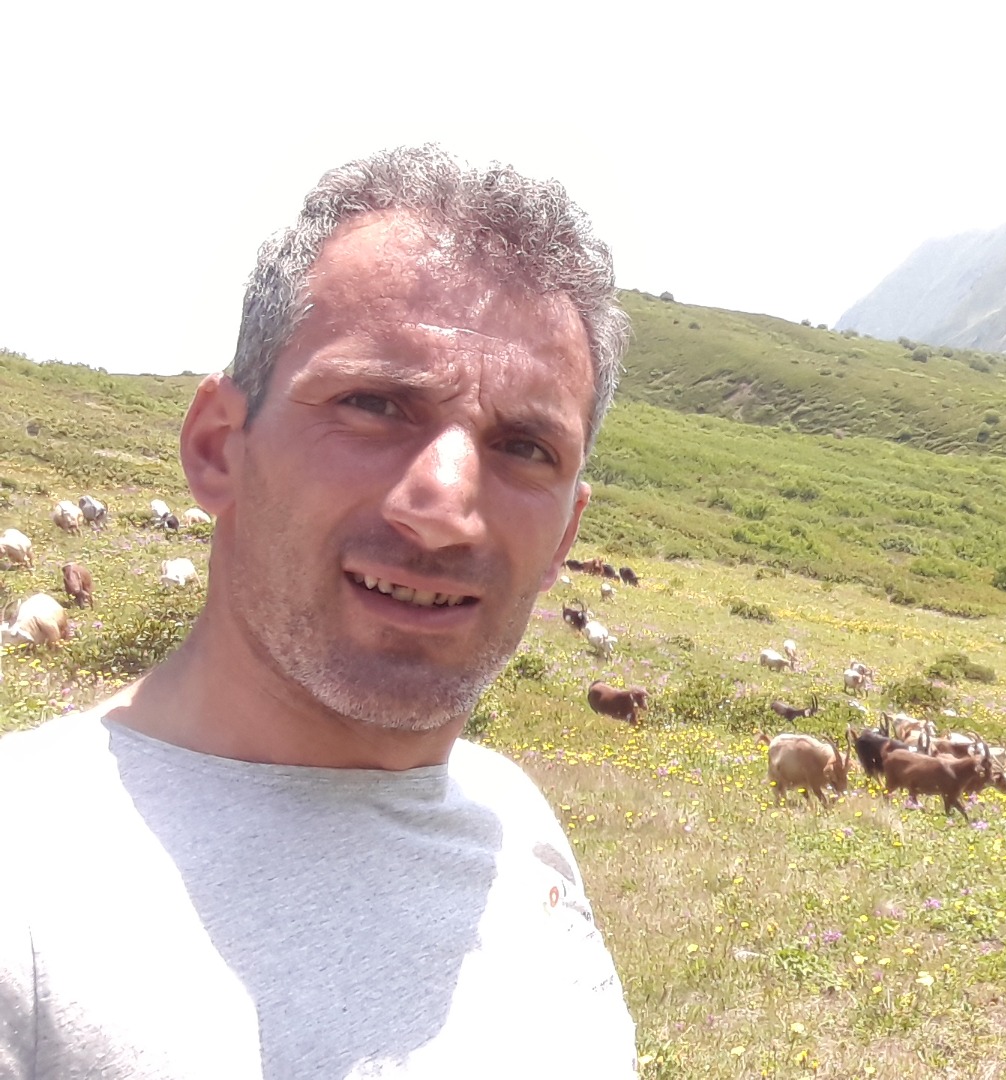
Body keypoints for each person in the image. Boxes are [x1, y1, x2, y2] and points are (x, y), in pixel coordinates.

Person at [0, 146, 637, 1078]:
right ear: (218, 447)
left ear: (564, 538)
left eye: (526, 447)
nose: (444, 506)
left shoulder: (515, 821)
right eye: (374, 404)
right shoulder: (25, 883)